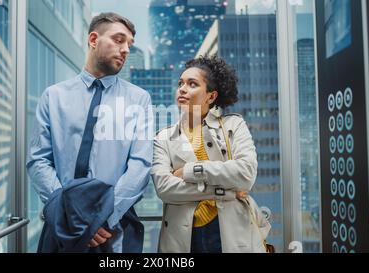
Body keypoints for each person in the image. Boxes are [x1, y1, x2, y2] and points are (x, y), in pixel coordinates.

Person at [26, 12, 153, 253]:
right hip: (61, 230)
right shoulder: (53, 97)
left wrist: (101, 219)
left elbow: (141, 164)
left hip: (112, 230)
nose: (125, 49)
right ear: (93, 39)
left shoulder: (139, 99)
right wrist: (67, 215)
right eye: (118, 40)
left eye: (129, 44)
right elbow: (38, 160)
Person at [151, 55, 270, 253]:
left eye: (192, 84)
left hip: (232, 232)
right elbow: (164, 188)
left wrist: (189, 170)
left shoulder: (234, 125)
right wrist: (225, 192)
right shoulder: (163, 137)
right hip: (184, 239)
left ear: (211, 96)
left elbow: (246, 173)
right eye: (180, 83)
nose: (182, 88)